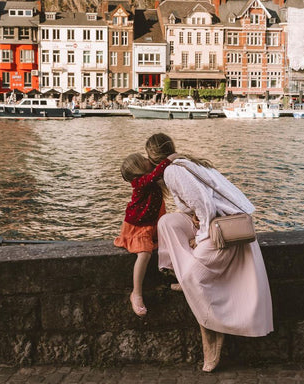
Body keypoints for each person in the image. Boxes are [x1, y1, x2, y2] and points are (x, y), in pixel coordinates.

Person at [145, 133, 273, 373]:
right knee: (167, 223)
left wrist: (200, 236)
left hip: (224, 229)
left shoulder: (173, 171)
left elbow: (205, 205)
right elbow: (189, 204)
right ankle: (178, 272)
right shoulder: (186, 163)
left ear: (151, 157)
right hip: (219, 221)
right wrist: (194, 218)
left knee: (195, 278)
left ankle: (213, 334)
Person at [114, 152, 171, 317]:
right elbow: (155, 175)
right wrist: (169, 159)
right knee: (145, 254)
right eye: (144, 160)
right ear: (138, 168)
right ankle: (136, 293)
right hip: (137, 228)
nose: (148, 159)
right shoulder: (140, 183)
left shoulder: (150, 181)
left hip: (150, 225)